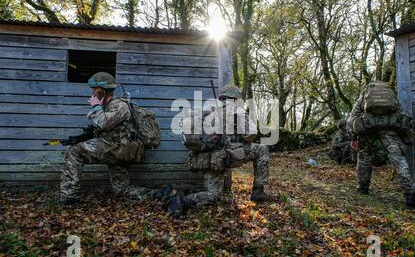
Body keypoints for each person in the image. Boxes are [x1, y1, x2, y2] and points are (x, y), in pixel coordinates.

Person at [59, 72, 174, 206]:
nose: (92, 92)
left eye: (94, 89)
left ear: (102, 90)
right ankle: (161, 195)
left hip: (117, 149)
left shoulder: (119, 105)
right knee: (122, 190)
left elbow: (104, 122)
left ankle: (69, 198)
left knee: (74, 152)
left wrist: (95, 106)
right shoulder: (107, 106)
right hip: (116, 149)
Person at [169, 84, 276, 216]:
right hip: (226, 158)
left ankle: (183, 200)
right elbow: (250, 135)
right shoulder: (237, 111)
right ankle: (258, 191)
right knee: (262, 149)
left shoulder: (206, 111)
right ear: (236, 98)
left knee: (213, 194)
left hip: (208, 160)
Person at [347, 81, 415, 207]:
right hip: (389, 127)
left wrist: (353, 137)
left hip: (368, 127)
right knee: (398, 159)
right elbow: (403, 113)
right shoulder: (391, 97)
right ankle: (410, 195)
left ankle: (363, 188)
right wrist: (402, 133)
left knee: (364, 157)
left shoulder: (364, 95)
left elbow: (352, 117)